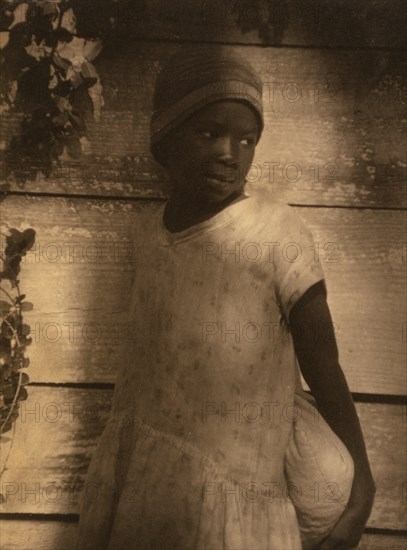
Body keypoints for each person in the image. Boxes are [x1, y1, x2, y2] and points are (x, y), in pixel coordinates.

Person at [76, 45, 375, 550]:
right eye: (209, 132)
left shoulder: (277, 232)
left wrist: (362, 486)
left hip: (239, 495)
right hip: (150, 497)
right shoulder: (147, 237)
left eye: (247, 139)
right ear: (166, 138)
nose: (228, 153)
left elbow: (323, 361)